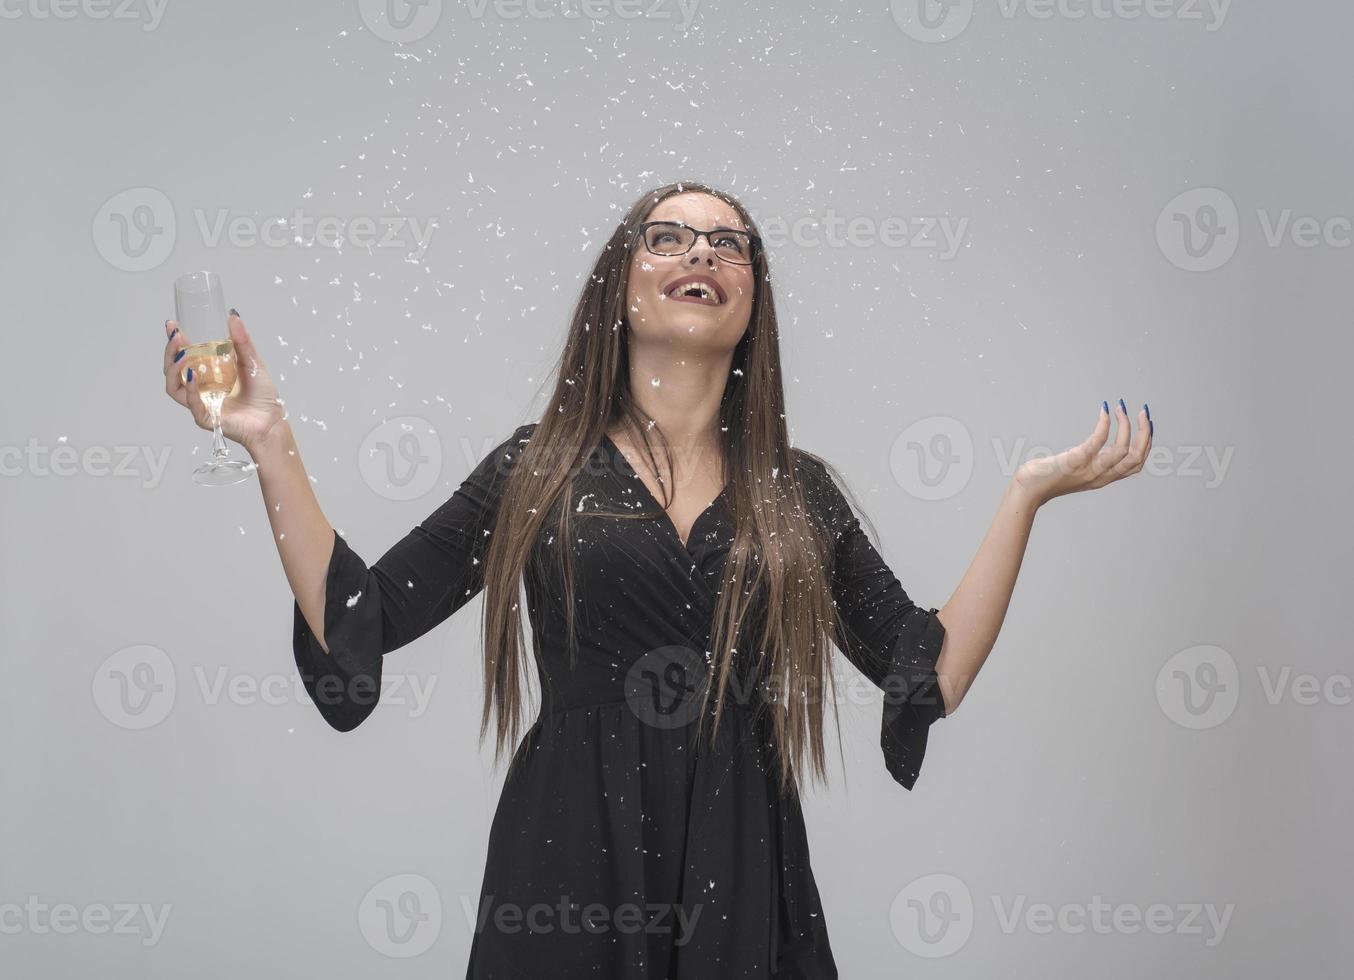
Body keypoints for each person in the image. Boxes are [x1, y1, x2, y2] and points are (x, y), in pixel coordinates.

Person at [161, 180, 1153, 977]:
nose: (701, 254)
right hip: (567, 851)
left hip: (741, 856)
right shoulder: (535, 468)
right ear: (620, 289)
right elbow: (355, 625)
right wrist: (269, 441)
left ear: (753, 298)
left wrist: (1025, 495)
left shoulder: (793, 492)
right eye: (668, 237)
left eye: (728, 244)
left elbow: (924, 671)